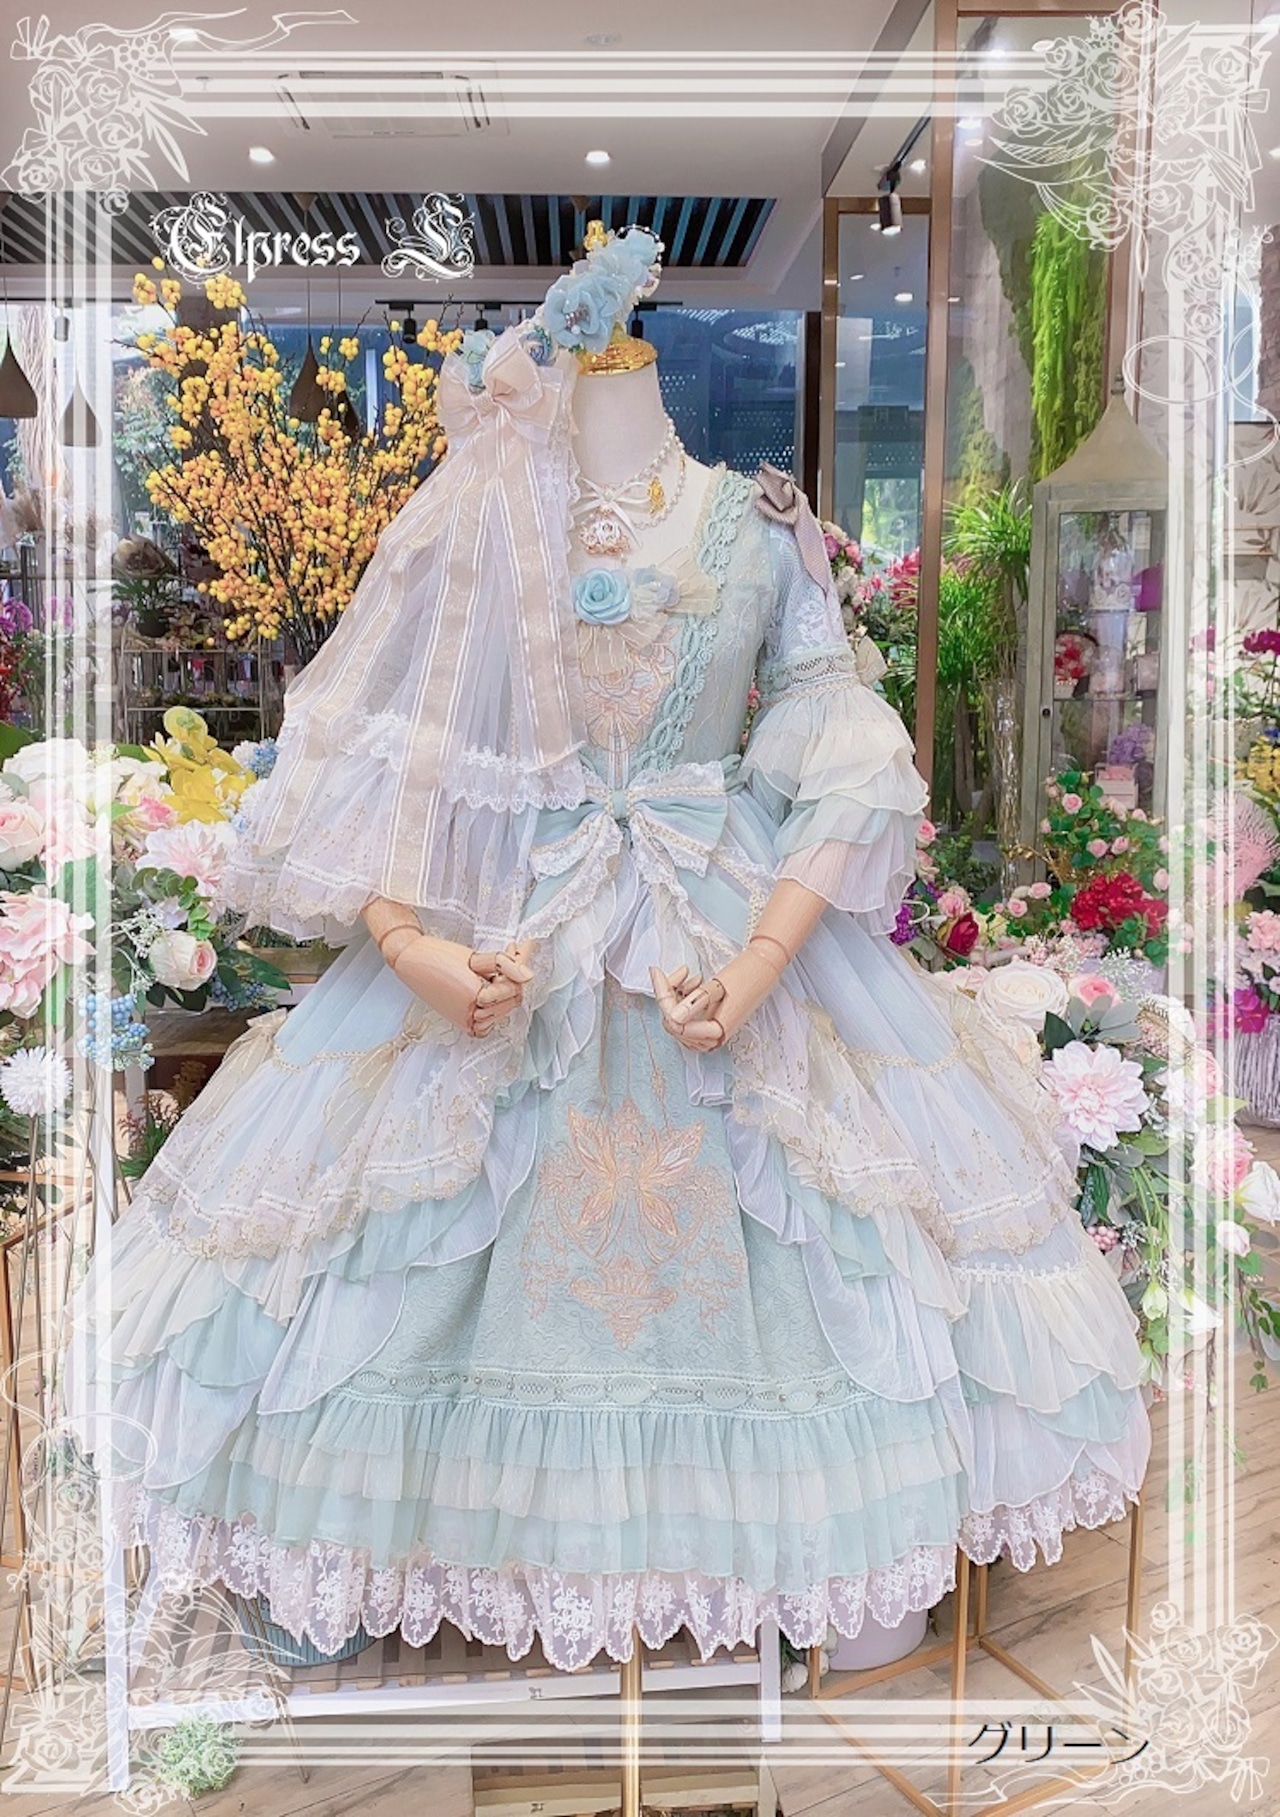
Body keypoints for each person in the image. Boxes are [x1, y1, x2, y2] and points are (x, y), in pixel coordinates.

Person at [69, 226, 1148, 1672]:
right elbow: (400, 764)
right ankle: (387, 1546)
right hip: (509, 929)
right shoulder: (481, 521)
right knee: (395, 1237)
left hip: (725, 919)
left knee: (821, 1226)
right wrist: (405, 942)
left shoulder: (760, 523)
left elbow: (837, 744)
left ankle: (822, 1554)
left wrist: (761, 965)